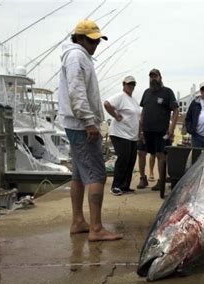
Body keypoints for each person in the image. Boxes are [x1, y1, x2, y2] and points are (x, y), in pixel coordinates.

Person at [58, 19, 122, 241]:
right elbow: (77, 92)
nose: (96, 44)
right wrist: (89, 122)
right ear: (79, 38)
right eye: (91, 40)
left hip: (75, 124)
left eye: (98, 40)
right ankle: (96, 228)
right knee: (97, 174)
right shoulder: (76, 57)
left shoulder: (78, 56)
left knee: (78, 174)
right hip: (81, 125)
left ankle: (78, 221)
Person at [139, 68, 179, 191]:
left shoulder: (167, 92)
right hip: (146, 131)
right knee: (141, 153)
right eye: (151, 76)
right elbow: (143, 112)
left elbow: (176, 110)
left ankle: (161, 181)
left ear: (160, 77)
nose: (153, 78)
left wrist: (171, 129)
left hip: (161, 132)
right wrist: (140, 130)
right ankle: (142, 178)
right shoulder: (146, 92)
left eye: (155, 76)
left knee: (160, 155)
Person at [103, 75, 140, 196]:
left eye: (133, 84)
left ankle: (125, 186)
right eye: (128, 84)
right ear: (124, 85)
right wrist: (116, 116)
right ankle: (116, 186)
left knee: (131, 160)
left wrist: (140, 133)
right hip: (120, 134)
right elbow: (107, 104)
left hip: (132, 136)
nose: (131, 86)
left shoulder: (133, 100)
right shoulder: (120, 96)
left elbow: (136, 117)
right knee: (123, 158)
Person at [185, 81, 204, 148]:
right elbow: (188, 117)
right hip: (196, 136)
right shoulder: (195, 102)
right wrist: (190, 129)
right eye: (202, 89)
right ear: (200, 91)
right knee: (196, 155)